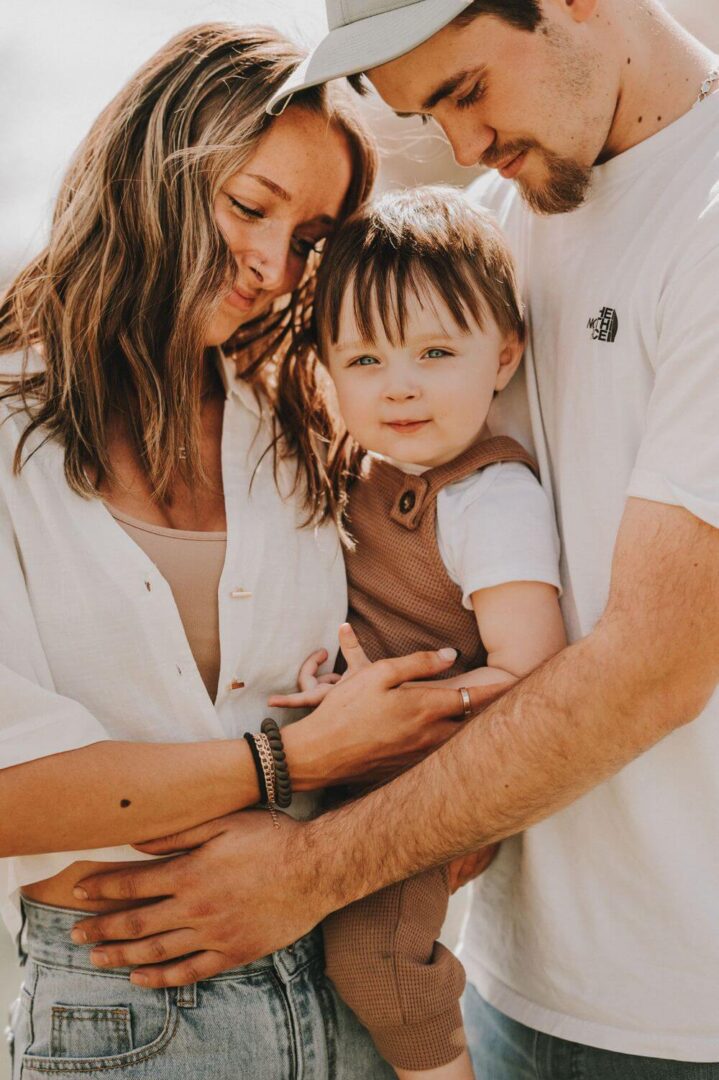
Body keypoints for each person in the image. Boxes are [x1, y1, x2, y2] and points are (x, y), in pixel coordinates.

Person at [69, 2, 719, 1077]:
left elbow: (658, 662)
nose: (461, 148)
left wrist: (312, 870)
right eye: (429, 114)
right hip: (509, 975)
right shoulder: (498, 224)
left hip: (685, 1006)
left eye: (463, 90)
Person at [0, 21, 486, 1080]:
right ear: (148, 170)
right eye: (249, 205)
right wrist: (291, 762)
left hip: (351, 976)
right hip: (130, 1011)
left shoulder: (312, 429)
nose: (272, 264)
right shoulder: (7, 437)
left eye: (308, 238)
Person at [268, 186, 565, 1079]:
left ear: (502, 354)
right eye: (363, 359)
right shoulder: (351, 465)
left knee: (376, 957)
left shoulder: (490, 500)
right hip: (344, 763)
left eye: (435, 352)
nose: (398, 384)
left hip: (421, 784)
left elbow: (532, 670)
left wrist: (391, 706)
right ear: (324, 368)